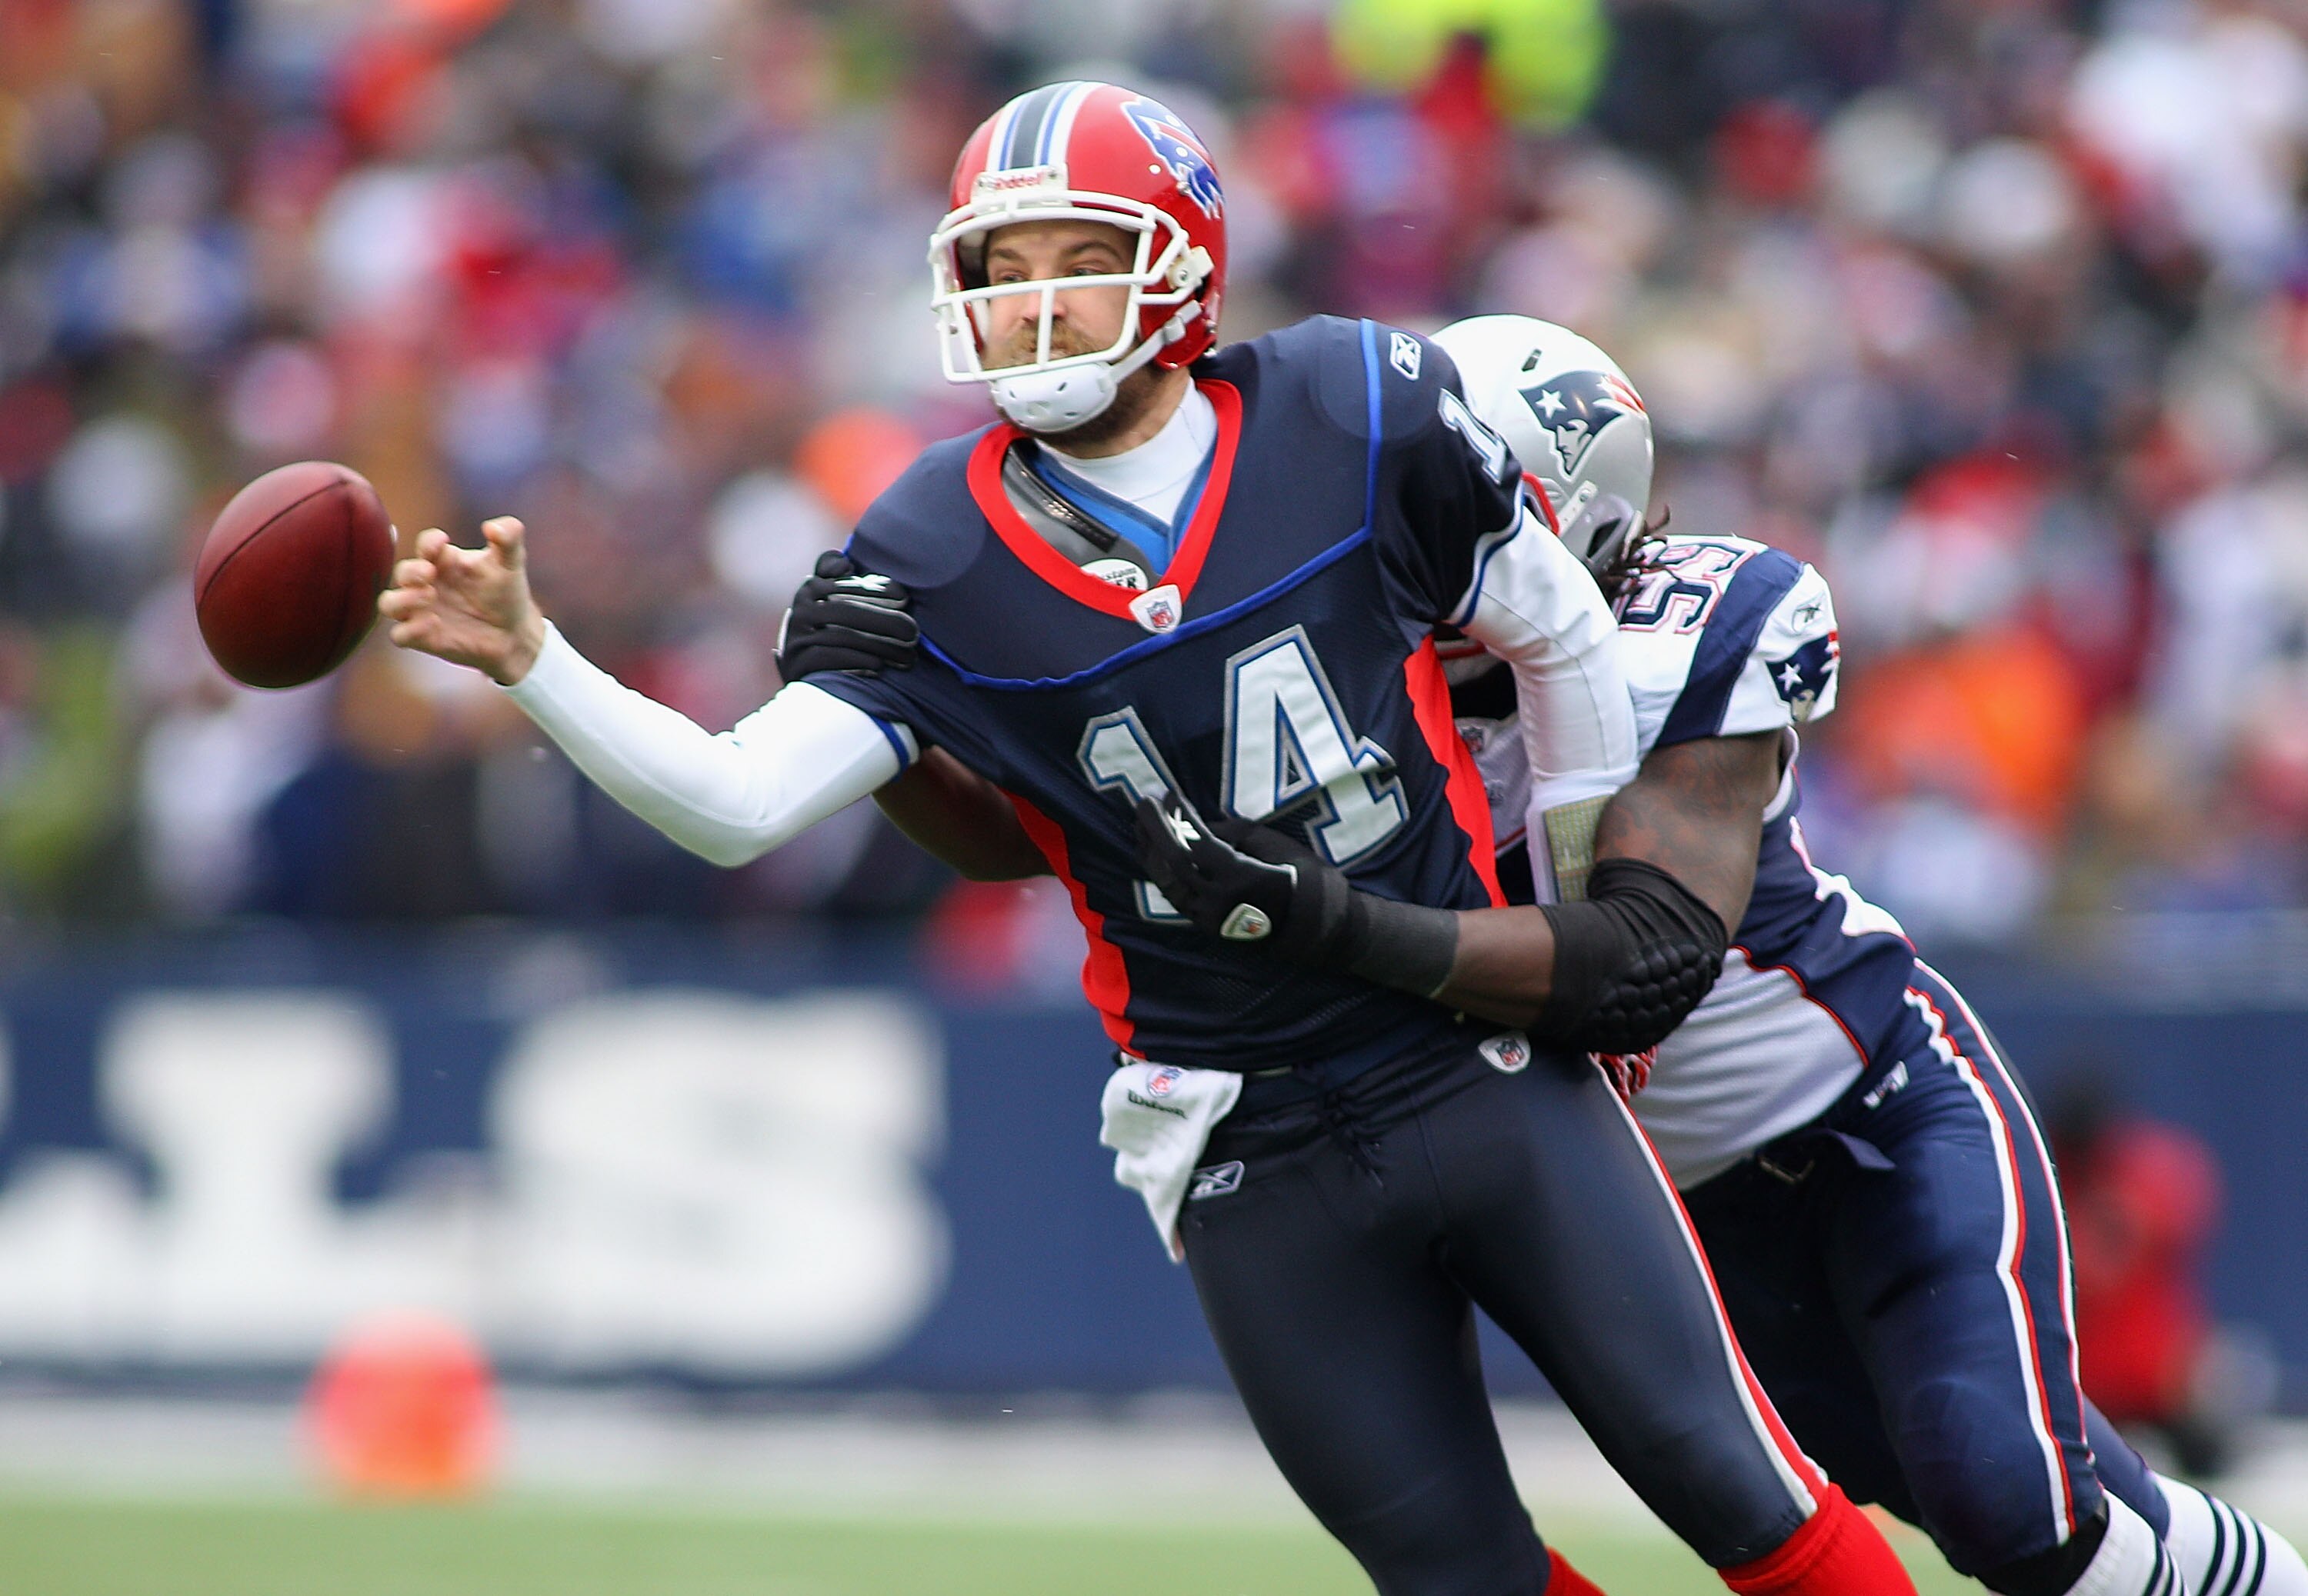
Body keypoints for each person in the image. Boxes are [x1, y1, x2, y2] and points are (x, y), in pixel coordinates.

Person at [381, 82, 1914, 1596]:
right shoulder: (928, 549)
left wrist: (1570, 918)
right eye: (1004, 266)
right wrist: (535, 659)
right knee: (1450, 1574)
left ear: (1181, 268)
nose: (1036, 302)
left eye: (1080, 257)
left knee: (1738, 1487)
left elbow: (1561, 635)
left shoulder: (1348, 406)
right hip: (1239, 1134)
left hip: (1470, 1059)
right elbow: (737, 805)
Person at [789, 311, 2308, 1596]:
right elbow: (1042, 832)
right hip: (1664, 1202)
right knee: (1960, 1501)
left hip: (1864, 1109)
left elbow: (1636, 967)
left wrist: (1332, 921)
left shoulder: (1679, 638)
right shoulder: (1320, 655)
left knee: (2011, 1500)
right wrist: (894, 733)